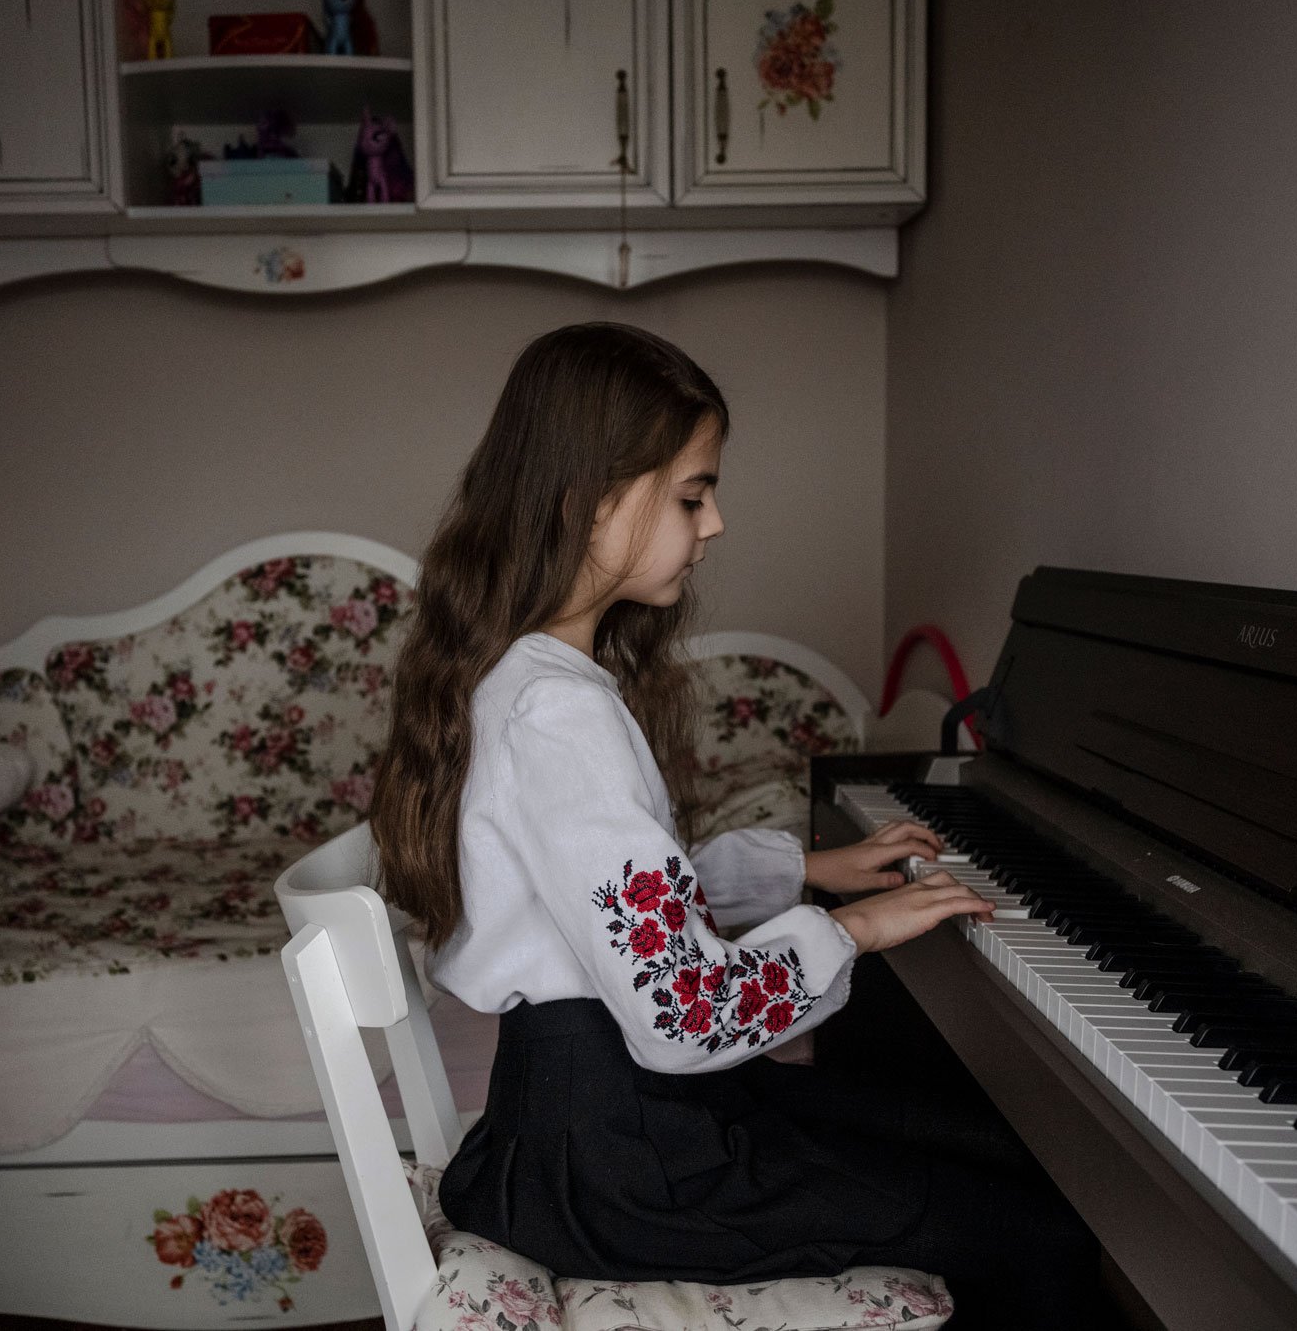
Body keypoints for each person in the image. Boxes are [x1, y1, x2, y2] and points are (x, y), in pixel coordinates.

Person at [372, 323, 1105, 1331]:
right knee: (1040, 1233)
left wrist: (803, 866)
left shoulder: (526, 681)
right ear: (589, 504)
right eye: (689, 494)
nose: (712, 523)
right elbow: (681, 1015)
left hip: (597, 1128)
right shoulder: (560, 713)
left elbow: (600, 898)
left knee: (974, 1142)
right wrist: (850, 929)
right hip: (631, 1162)